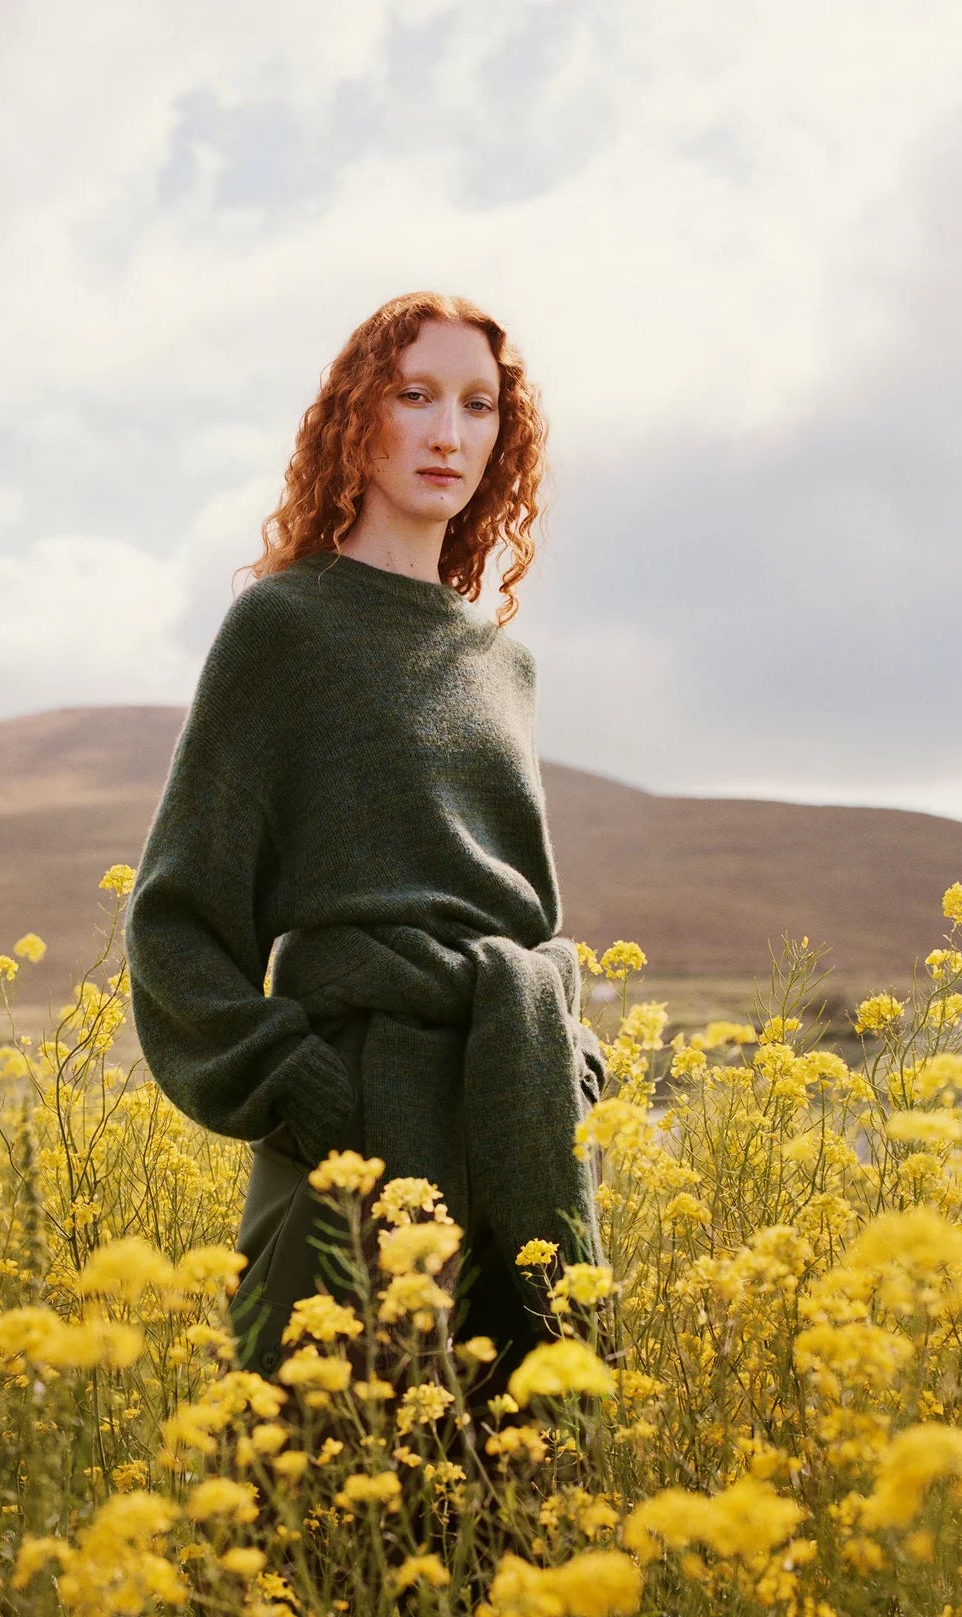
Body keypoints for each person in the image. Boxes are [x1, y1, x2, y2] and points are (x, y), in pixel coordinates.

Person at [124, 290, 607, 1420]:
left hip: (511, 1110)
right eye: (415, 396)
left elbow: (524, 921)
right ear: (359, 419)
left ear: (503, 437)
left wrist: (564, 1059)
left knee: (508, 1520)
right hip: (344, 1140)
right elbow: (177, 917)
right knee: (304, 1526)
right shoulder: (282, 627)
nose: (448, 433)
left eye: (478, 405)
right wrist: (304, 1090)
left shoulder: (503, 664)